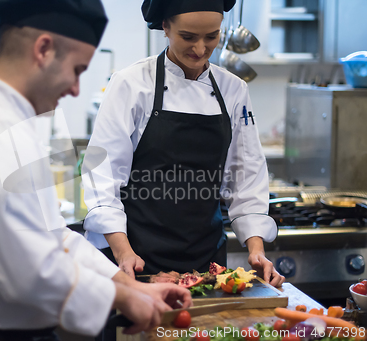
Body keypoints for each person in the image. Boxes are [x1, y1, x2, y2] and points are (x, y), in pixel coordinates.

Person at [0, 1, 192, 340]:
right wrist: (124, 297)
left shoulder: (10, 124)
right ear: (43, 49)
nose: (75, 89)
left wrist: (129, 287)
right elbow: (26, 271)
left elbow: (53, 236)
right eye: (77, 70)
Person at [82, 0, 286, 287]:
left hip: (208, 261)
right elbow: (101, 178)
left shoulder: (233, 89)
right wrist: (123, 252)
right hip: (137, 259)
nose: (201, 49)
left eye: (211, 36)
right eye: (188, 37)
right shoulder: (131, 84)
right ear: (165, 27)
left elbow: (247, 177)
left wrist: (256, 251)